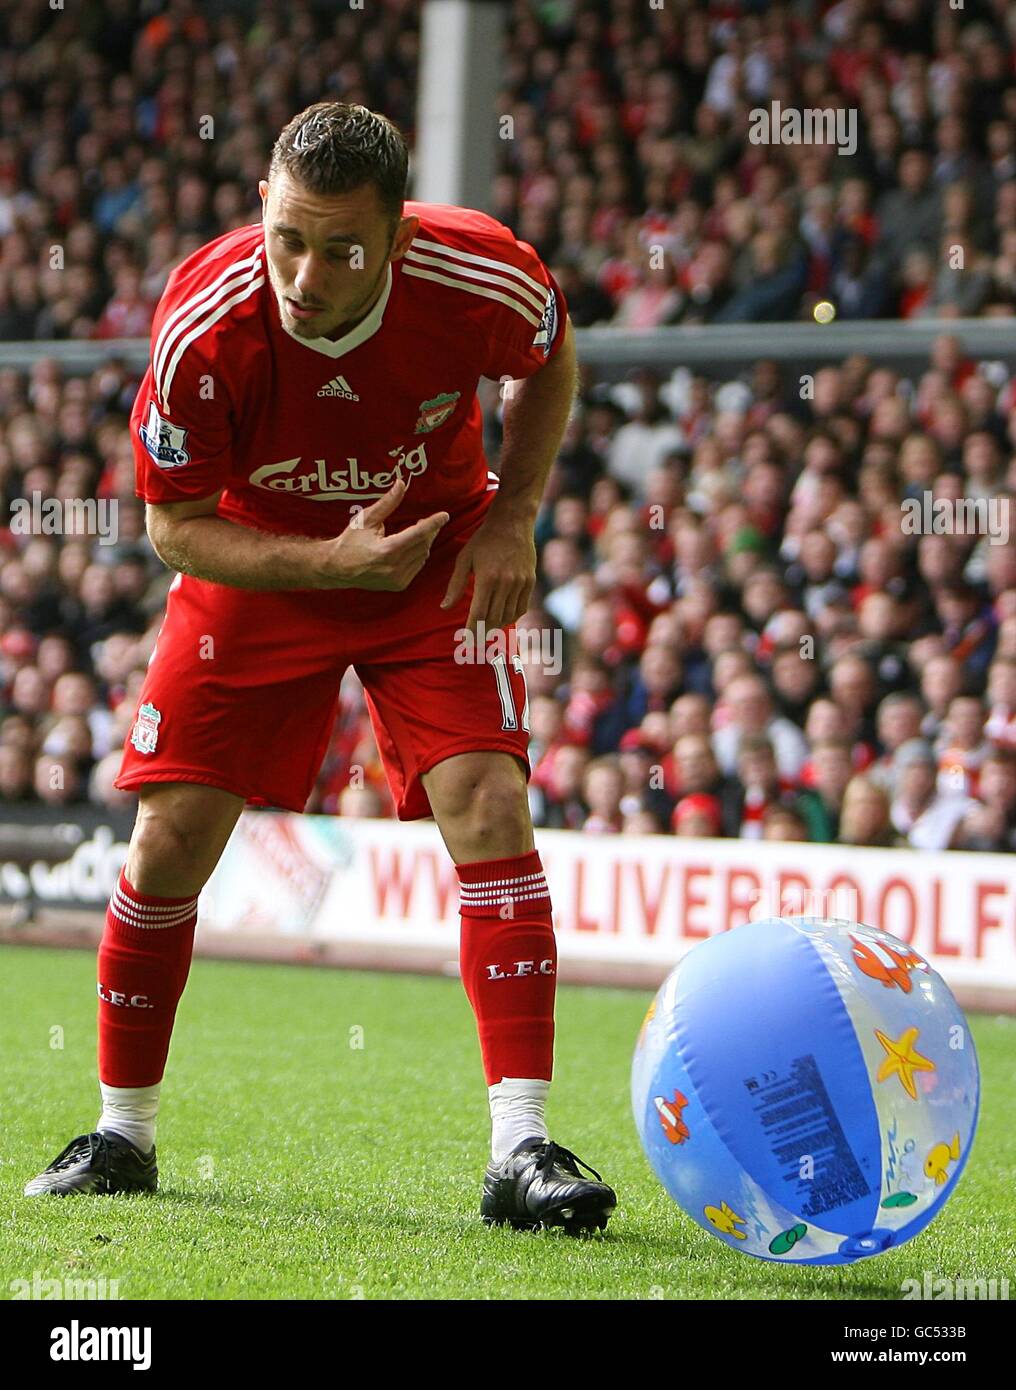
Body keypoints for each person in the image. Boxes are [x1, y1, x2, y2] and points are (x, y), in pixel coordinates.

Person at [24, 103, 616, 1234]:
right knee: (168, 839)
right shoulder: (206, 319)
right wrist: (320, 560)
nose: (304, 271)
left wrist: (516, 513)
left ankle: (522, 1151)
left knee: (490, 802)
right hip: (260, 564)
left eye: (341, 246)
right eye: (288, 235)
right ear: (262, 204)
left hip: (430, 556)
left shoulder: (482, 273)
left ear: (398, 236)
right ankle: (121, 1134)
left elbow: (549, 356)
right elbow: (174, 526)